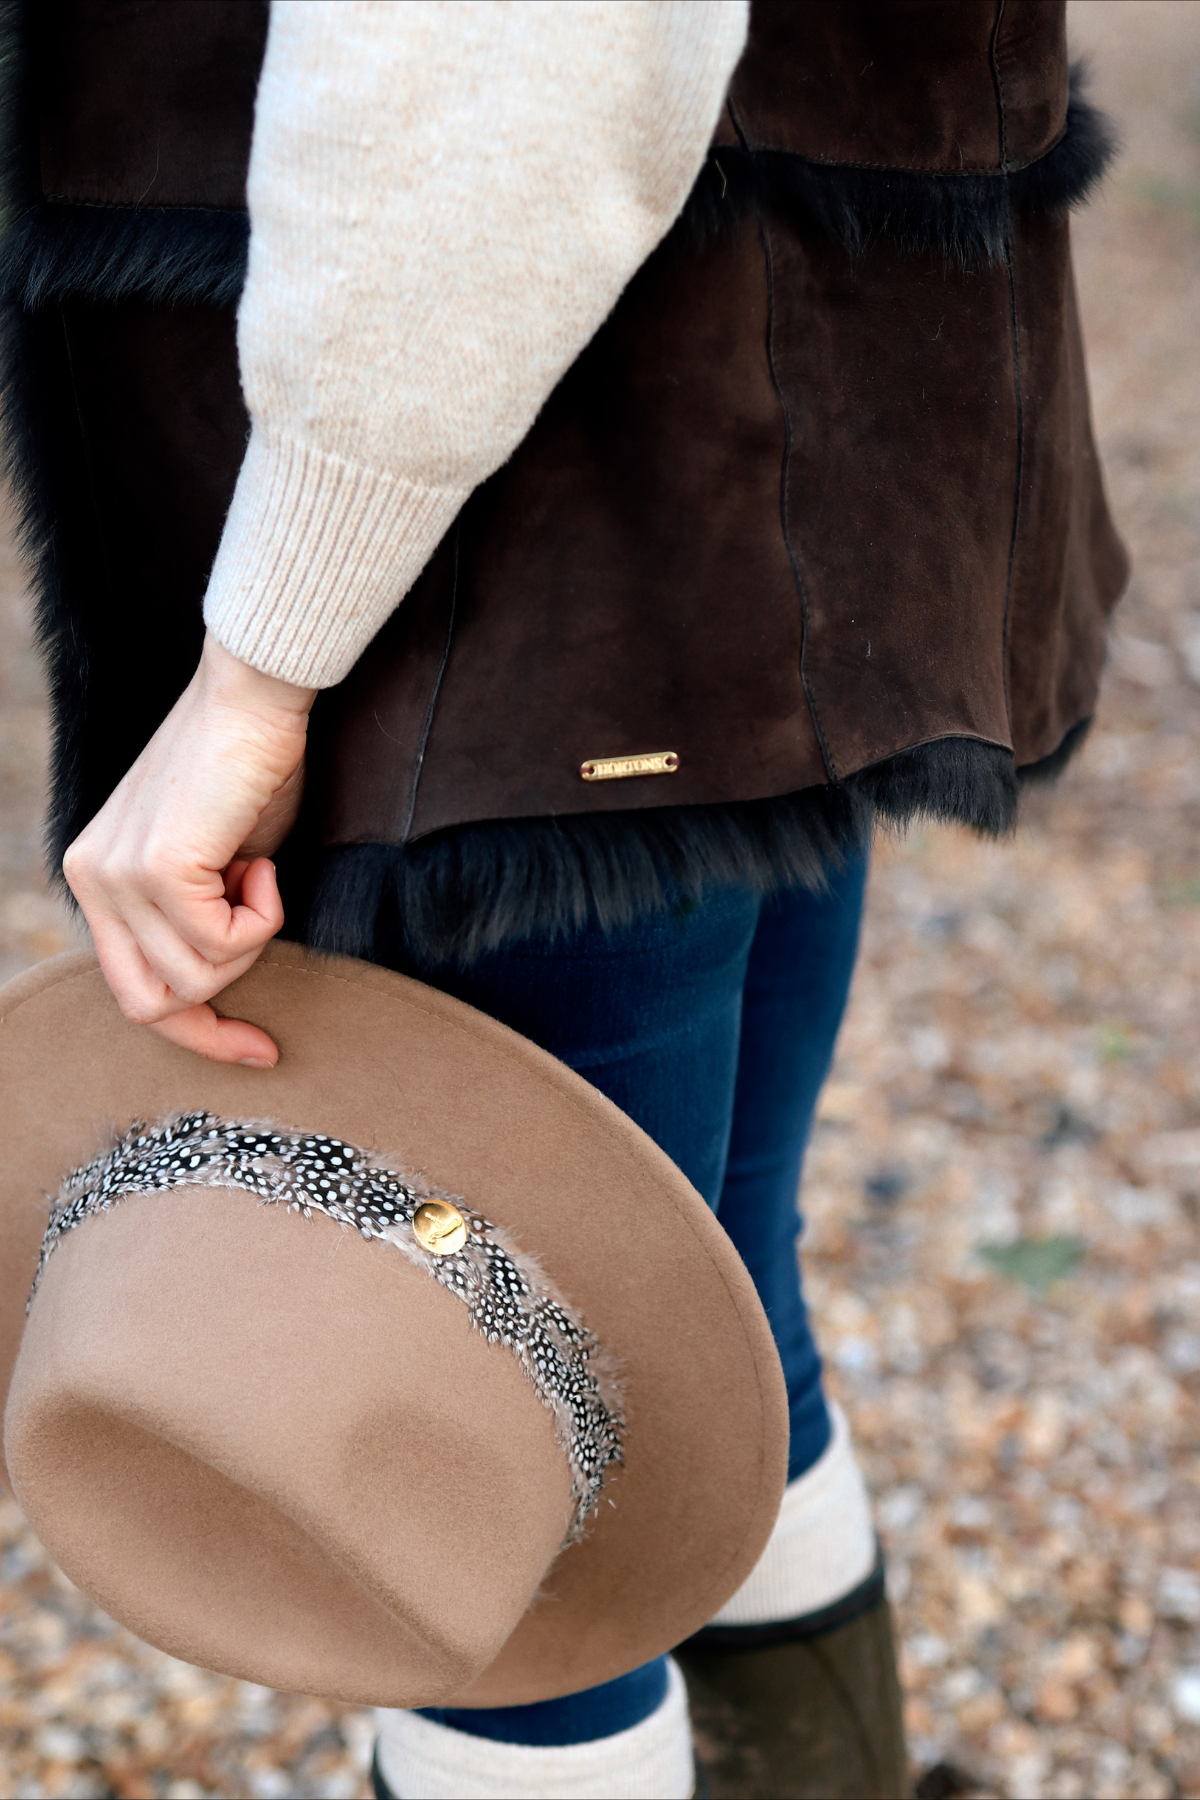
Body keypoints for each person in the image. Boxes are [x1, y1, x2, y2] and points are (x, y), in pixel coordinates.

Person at [1, 2, 1126, 1795]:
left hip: (511, 470)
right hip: (764, 381)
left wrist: (265, 662)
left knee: (493, 1485)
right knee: (686, 1314)